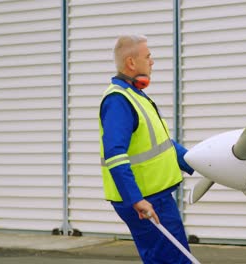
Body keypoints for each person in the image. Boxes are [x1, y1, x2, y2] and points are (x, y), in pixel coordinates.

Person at [98, 35, 194, 264]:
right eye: (148, 56)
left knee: (168, 259)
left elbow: (163, 145)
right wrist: (136, 200)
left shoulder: (135, 96)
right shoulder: (118, 101)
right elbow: (115, 155)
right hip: (146, 200)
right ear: (131, 63)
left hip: (153, 197)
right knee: (174, 261)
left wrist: (201, 161)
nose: (152, 62)